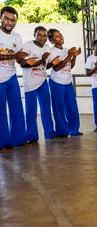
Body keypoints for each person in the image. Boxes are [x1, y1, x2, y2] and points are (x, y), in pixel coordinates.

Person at [18, 26, 55, 143]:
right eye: (39, 35)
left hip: (43, 81)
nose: (42, 38)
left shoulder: (48, 48)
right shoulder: (28, 45)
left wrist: (54, 62)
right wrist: (41, 59)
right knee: (31, 111)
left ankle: (49, 133)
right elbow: (23, 64)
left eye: (44, 35)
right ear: (34, 35)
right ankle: (31, 136)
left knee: (46, 109)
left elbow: (46, 66)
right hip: (30, 83)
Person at [0, 6, 27, 150]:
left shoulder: (17, 37)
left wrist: (24, 60)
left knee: (17, 108)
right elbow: (14, 55)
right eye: (6, 18)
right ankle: (2, 142)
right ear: (1, 18)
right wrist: (15, 56)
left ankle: (18, 139)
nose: (9, 22)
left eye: (13, 20)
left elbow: (19, 58)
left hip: (11, 76)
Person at [47, 29, 83, 137]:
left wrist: (75, 56)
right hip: (56, 81)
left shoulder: (66, 49)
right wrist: (69, 56)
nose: (61, 37)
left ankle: (74, 130)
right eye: (57, 36)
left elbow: (70, 66)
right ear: (52, 40)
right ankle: (62, 131)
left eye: (61, 35)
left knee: (72, 106)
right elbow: (56, 68)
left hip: (68, 82)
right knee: (59, 108)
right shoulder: (51, 51)